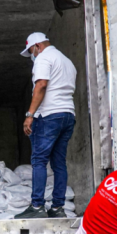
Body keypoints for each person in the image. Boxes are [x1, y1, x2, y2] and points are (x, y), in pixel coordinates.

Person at [15, 32, 78, 219]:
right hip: (68, 114)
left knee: (39, 160)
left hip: (49, 115)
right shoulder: (67, 61)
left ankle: (37, 206)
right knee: (59, 163)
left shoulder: (44, 58)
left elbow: (41, 85)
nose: (32, 56)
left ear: (38, 46)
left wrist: (29, 115)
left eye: (32, 51)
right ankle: (58, 208)